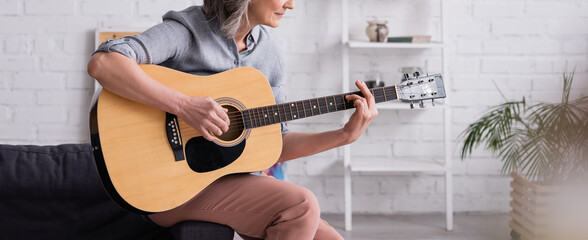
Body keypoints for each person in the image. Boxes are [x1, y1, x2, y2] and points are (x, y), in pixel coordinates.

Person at [87, 0, 378, 239]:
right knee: (302, 204)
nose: (290, 5)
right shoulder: (187, 30)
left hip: (231, 182)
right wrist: (184, 105)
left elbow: (277, 143)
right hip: (164, 187)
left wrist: (344, 136)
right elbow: (104, 62)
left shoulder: (270, 55)